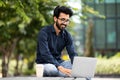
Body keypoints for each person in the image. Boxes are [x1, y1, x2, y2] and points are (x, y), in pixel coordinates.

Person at [36, 5, 78, 77]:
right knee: (52, 70)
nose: (65, 23)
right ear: (55, 18)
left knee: (81, 69)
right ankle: (64, 74)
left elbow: (72, 53)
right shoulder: (44, 32)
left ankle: (65, 73)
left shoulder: (67, 35)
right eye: (62, 19)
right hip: (45, 63)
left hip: (59, 63)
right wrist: (60, 67)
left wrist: (78, 65)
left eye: (67, 20)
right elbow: (45, 54)